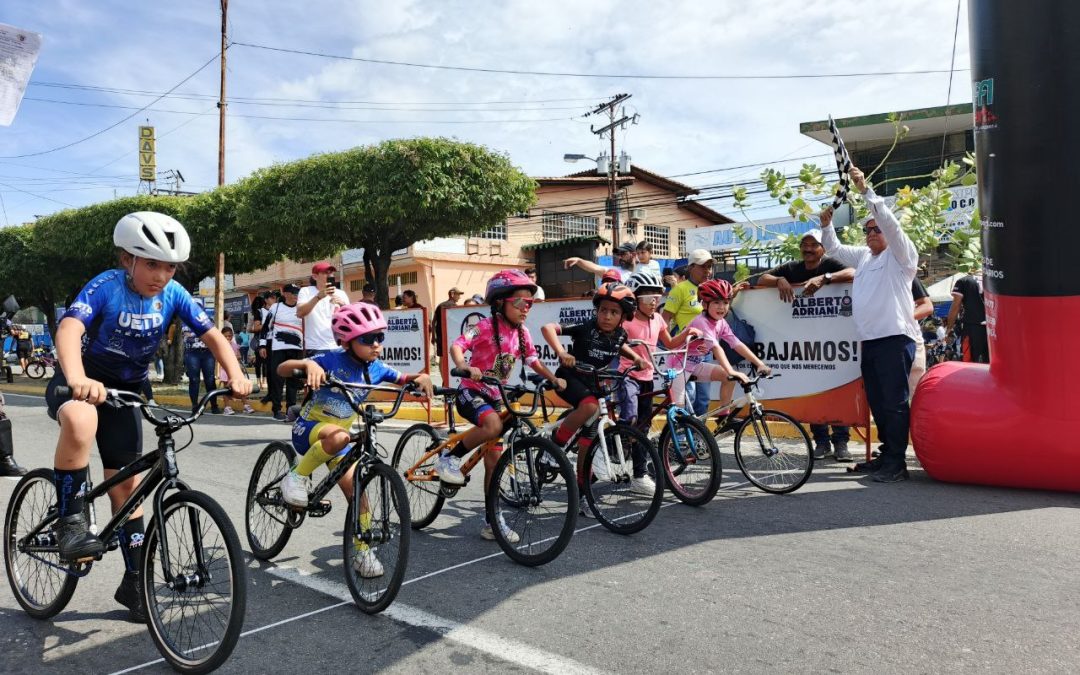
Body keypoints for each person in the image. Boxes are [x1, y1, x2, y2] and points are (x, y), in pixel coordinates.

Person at [44, 211, 250, 622]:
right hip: (80, 381)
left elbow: (211, 335)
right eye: (152, 264)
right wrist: (78, 378)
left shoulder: (174, 293)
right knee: (82, 420)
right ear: (127, 260)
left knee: (128, 486)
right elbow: (69, 329)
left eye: (169, 266)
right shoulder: (105, 286)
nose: (161, 274)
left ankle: (135, 581)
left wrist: (237, 374)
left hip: (128, 391)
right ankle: (69, 520)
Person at [277, 303, 432, 576]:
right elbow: (282, 368)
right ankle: (296, 476)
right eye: (367, 339)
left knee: (359, 494)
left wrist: (422, 378)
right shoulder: (331, 359)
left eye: (379, 337)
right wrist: (307, 364)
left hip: (341, 440)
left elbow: (403, 378)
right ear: (347, 341)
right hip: (310, 429)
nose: (376, 344)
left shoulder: (377, 369)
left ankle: (362, 552)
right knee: (338, 435)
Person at [439, 270, 564, 542]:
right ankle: (449, 458)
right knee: (493, 425)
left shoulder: (522, 333)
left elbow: (532, 360)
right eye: (520, 302)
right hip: (471, 392)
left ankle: (492, 520)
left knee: (494, 462)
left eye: (530, 303)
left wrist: (553, 378)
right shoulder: (483, 326)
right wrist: (463, 367)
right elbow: (458, 345)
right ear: (499, 302)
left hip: (496, 396)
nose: (526, 309)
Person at [820, 166, 920, 483]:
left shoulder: (901, 256)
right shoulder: (865, 257)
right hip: (870, 342)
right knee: (878, 403)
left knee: (894, 403)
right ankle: (886, 456)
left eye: (877, 229)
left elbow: (889, 224)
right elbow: (833, 249)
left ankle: (897, 463)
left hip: (894, 340)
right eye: (868, 230)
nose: (872, 233)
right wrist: (826, 226)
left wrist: (865, 192)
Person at [542, 283, 649, 511]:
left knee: (587, 445)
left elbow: (619, 346)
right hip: (569, 379)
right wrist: (562, 352)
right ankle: (555, 447)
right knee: (590, 407)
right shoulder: (585, 328)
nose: (607, 316)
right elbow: (548, 327)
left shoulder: (621, 334)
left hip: (593, 383)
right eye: (603, 310)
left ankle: (583, 497)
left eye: (614, 312)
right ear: (596, 311)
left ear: (623, 317)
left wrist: (636, 357)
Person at [755, 229, 856, 460]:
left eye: (813, 245)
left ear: (823, 249)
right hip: (804, 347)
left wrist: (826, 278)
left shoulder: (831, 264)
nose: (808, 249)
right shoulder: (792, 268)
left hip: (834, 345)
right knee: (811, 391)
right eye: (805, 244)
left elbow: (854, 273)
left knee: (838, 392)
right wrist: (780, 280)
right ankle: (821, 441)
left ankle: (841, 442)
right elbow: (761, 280)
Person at [669, 279, 771, 412]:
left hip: (695, 364)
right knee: (679, 412)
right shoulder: (701, 322)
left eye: (725, 302)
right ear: (705, 304)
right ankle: (672, 432)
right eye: (716, 302)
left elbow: (736, 343)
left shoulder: (721, 322)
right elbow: (716, 348)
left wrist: (759, 363)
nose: (722, 307)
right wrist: (731, 370)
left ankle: (723, 417)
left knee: (729, 378)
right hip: (678, 366)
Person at [619, 271, 701, 427]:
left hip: (648, 377)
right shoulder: (626, 321)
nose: (654, 303)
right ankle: (617, 443)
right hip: (628, 376)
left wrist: (687, 333)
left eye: (657, 298)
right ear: (635, 299)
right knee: (630, 417)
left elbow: (670, 343)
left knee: (645, 423)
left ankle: (639, 451)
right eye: (649, 298)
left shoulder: (657, 319)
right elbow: (616, 344)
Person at [662, 249, 715, 414]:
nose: (708, 271)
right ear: (691, 267)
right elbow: (665, 318)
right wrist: (667, 343)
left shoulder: (712, 288)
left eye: (710, 267)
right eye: (703, 267)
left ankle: (701, 437)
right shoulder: (680, 289)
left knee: (704, 397)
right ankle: (684, 435)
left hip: (707, 348)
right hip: (685, 350)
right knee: (688, 396)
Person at [262, 284, 304, 421]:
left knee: (293, 380)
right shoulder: (276, 307)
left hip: (296, 349)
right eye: (292, 292)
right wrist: (262, 346)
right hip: (278, 348)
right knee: (277, 380)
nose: (295, 295)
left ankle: (291, 410)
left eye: (297, 292)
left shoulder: (302, 308)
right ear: (285, 294)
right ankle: (276, 409)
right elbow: (265, 328)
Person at [297, 262, 350, 356]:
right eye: (326, 272)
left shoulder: (341, 293)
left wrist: (343, 305)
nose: (330, 275)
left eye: (331, 273)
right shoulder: (306, 291)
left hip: (338, 347)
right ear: (315, 276)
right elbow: (300, 313)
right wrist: (318, 297)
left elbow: (350, 319)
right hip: (316, 347)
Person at [182, 305, 221, 415]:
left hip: (207, 353)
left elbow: (211, 335)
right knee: (194, 380)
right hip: (192, 353)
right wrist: (202, 333)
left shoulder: (209, 320)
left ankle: (214, 405)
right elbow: (187, 336)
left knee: (210, 380)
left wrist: (196, 334)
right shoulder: (186, 320)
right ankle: (195, 406)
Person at [946, 272, 988, 363]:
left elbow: (955, 306)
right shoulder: (994, 277)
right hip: (994, 328)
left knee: (970, 361)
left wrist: (949, 327)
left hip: (973, 327)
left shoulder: (964, 281)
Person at [563, 240, 638, 284]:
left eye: (623, 254)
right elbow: (594, 267)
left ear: (633, 254)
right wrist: (579, 261)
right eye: (619, 254)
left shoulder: (644, 271)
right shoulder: (615, 272)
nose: (620, 257)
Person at [218, 326, 254, 415]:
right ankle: (227, 407)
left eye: (229, 336)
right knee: (226, 389)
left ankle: (245, 405)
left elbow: (239, 356)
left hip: (235, 370)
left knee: (240, 387)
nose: (227, 338)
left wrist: (237, 358)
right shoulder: (220, 345)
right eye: (225, 336)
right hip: (225, 370)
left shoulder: (234, 345)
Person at [431, 287, 464, 362]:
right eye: (458, 294)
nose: (459, 297)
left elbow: (433, 322)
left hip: (440, 336)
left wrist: (433, 336)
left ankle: (443, 374)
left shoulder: (440, 305)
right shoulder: (455, 307)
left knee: (442, 358)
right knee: (452, 356)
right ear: (452, 294)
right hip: (452, 336)